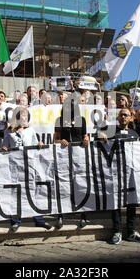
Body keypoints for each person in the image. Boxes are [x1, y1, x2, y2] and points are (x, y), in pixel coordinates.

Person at [97, 108, 140, 245]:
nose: (123, 117)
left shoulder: (134, 133)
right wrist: (101, 134)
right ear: (117, 118)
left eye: (126, 115)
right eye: (121, 115)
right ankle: (117, 231)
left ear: (131, 118)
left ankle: (132, 231)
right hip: (115, 172)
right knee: (115, 201)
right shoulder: (110, 131)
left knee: (132, 202)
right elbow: (96, 137)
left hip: (131, 173)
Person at [1, 107, 52, 232]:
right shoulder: (9, 131)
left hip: (30, 165)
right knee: (16, 193)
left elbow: (35, 146)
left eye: (26, 116)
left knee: (33, 192)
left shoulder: (31, 130)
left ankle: (39, 219)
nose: (24, 118)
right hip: (15, 167)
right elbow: (4, 145)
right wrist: (4, 148)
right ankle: (16, 220)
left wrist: (39, 144)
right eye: (22, 115)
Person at [53, 96, 90, 229]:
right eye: (67, 105)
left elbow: (86, 135)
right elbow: (55, 139)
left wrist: (86, 139)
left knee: (81, 185)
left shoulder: (82, 120)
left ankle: (83, 216)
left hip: (79, 158)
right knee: (64, 185)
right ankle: (61, 215)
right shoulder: (59, 120)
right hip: (64, 158)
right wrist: (60, 141)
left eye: (72, 105)